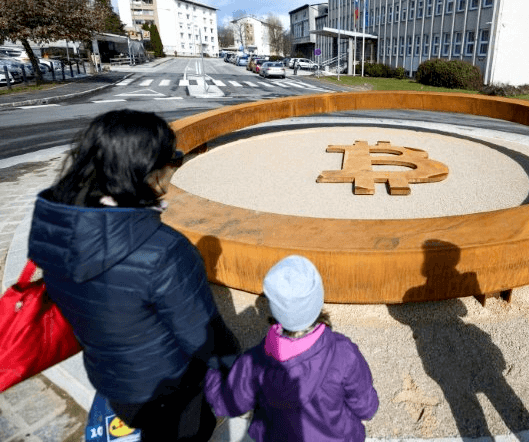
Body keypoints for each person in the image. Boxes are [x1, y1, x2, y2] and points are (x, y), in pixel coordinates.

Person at [27, 109, 240, 441]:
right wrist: (240, 372)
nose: (176, 166)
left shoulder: (55, 230)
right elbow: (204, 338)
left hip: (112, 380)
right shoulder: (164, 251)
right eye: (174, 159)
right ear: (147, 172)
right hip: (169, 393)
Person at [205, 255, 379, 441]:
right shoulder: (344, 353)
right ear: (318, 300)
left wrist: (210, 374)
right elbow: (367, 408)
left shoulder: (254, 362)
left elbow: (228, 403)